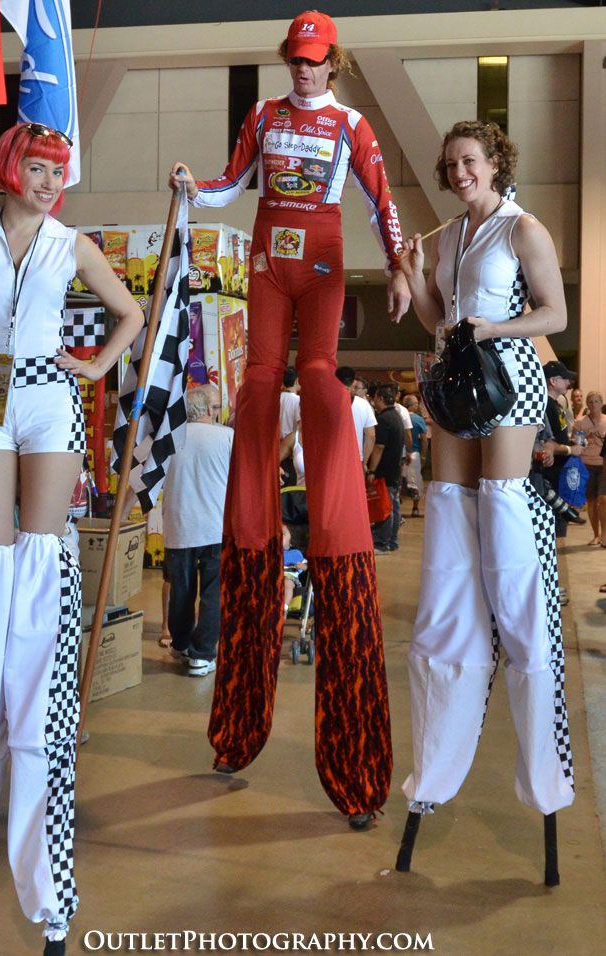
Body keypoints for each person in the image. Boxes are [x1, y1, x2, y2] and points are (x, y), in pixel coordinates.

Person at [169, 9, 408, 825]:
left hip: (326, 256)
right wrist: (188, 190)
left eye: (314, 63)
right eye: (295, 62)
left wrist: (401, 270)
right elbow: (231, 184)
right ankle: (257, 497)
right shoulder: (264, 116)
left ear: (332, 63)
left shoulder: (350, 123)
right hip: (271, 255)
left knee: (318, 376)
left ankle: (330, 484)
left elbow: (383, 203)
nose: (304, 73)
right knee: (259, 382)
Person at [0, 123, 145, 956]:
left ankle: (37, 692)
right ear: (12, 170)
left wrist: (93, 368)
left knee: (43, 559)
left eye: (61, 171)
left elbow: (129, 314)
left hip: (49, 396)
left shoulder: (72, 244)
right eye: (41, 169)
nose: (52, 182)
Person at [397, 120, 574, 863]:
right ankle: (437, 757)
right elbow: (441, 328)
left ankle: (526, 667)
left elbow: (556, 316)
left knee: (503, 526)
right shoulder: (443, 238)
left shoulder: (522, 227)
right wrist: (412, 283)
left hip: (509, 381)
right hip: (453, 387)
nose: (460, 170)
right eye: (451, 163)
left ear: (497, 162)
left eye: (471, 160)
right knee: (449, 538)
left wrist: (495, 325)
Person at [163, 388, 233, 676]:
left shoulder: (168, 439)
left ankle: (180, 644)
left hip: (178, 526)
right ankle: (202, 654)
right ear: (207, 410)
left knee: (180, 590)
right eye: (215, 407)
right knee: (212, 593)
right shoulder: (227, 437)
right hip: (216, 527)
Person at [543, 360, 585, 541]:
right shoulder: (545, 405)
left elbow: (557, 437)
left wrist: (572, 443)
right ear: (553, 381)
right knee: (551, 530)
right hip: (550, 474)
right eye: (565, 379)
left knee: (559, 530)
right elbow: (547, 443)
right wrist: (570, 449)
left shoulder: (557, 405)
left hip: (560, 473)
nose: (569, 383)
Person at [369, 384, 405, 553]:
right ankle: (392, 540)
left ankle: (382, 543)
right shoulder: (397, 416)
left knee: (385, 507)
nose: (373, 400)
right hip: (395, 469)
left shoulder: (384, 419)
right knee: (394, 507)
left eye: (374, 397)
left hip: (385, 470)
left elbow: (379, 447)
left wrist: (372, 470)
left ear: (381, 398)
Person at [574, 390, 606, 546]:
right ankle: (596, 534)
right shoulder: (581, 423)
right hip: (586, 464)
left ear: (601, 403)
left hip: (603, 464)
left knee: (603, 499)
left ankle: (605, 534)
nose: (594, 405)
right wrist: (587, 435)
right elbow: (577, 444)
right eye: (591, 402)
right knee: (592, 501)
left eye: (596, 402)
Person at [335, 365, 376, 471]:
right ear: (353, 382)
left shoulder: (326, 401)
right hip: (355, 459)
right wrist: (364, 462)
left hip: (332, 459)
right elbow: (371, 436)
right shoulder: (364, 405)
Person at [402, 393, 428, 516]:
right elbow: (424, 440)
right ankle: (415, 508)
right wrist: (423, 456)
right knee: (416, 481)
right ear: (413, 405)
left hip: (400, 453)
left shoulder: (399, 416)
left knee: (399, 481)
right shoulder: (419, 420)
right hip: (414, 454)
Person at [282, 523, 307, 615]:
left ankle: (284, 608)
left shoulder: (295, 554)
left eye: (282, 534)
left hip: (290, 578)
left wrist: (302, 566)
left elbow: (307, 565)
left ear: (291, 541)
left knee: (287, 583)